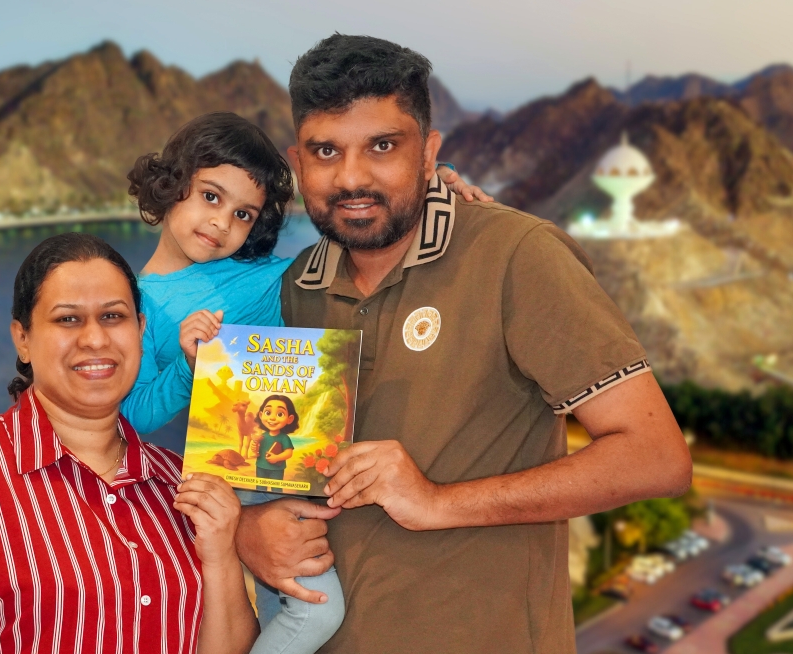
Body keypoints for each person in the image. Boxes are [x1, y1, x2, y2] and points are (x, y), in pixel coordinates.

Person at [234, 34, 693, 653]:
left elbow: (656, 457)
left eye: (383, 146)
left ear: (429, 154)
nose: (351, 178)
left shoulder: (515, 256)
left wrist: (437, 501)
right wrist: (250, 527)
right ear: (298, 161)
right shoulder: (290, 293)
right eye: (325, 151)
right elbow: (261, 460)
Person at [117, 111, 491, 654]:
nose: (221, 223)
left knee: (289, 617)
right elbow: (137, 415)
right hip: (238, 470)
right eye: (210, 196)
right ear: (171, 185)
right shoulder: (139, 305)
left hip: (300, 456)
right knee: (317, 616)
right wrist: (186, 366)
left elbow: (358, 231)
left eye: (242, 213)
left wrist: (436, 184)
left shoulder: (269, 274)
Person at [0, 233, 256, 654]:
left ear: (141, 329)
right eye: (68, 319)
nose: (95, 339)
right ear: (22, 339)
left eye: (113, 317)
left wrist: (222, 557)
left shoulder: (180, 483)